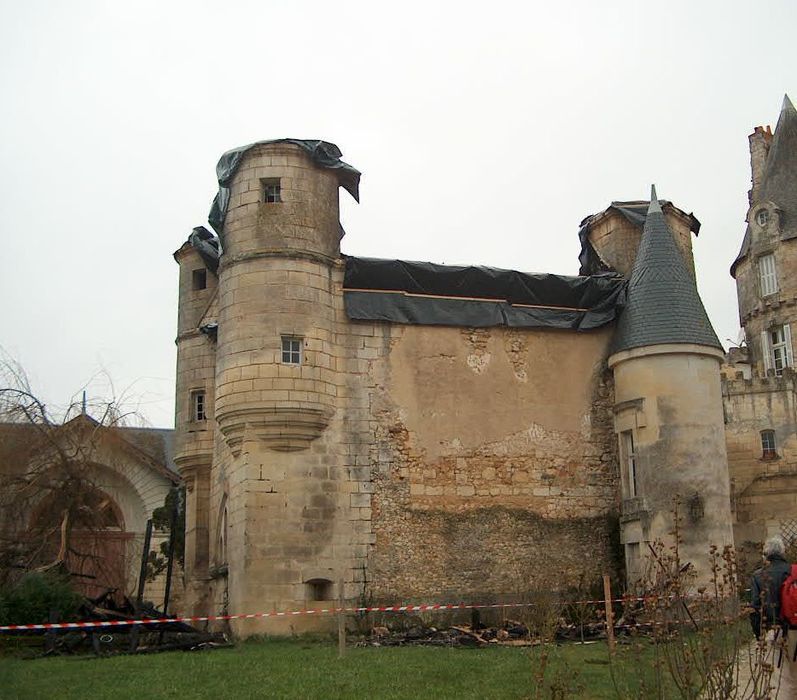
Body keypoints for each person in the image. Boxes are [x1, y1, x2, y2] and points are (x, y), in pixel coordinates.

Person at [750, 536, 796, 698]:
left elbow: (755, 608)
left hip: (773, 630)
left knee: (779, 679)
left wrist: (758, 635)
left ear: (765, 555)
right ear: (783, 552)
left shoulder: (758, 576)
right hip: (795, 627)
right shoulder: (794, 571)